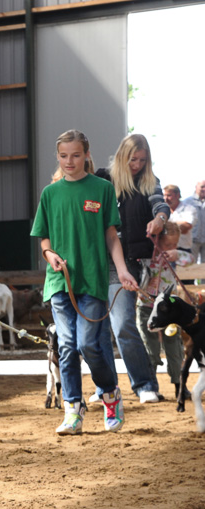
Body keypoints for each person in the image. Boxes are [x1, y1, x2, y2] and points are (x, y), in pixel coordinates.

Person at [32, 129, 137, 435]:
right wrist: (49, 254)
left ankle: (109, 394)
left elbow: (111, 236)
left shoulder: (102, 189)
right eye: (63, 155)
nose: (69, 161)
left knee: (88, 344)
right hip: (59, 281)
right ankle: (73, 410)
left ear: (86, 155)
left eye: (76, 155)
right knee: (66, 346)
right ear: (58, 157)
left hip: (92, 280)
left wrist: (123, 270)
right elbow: (44, 238)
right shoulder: (49, 194)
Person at [92, 134, 170, 405]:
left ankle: (145, 384)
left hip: (130, 262)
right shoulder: (102, 178)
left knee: (123, 323)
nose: (137, 164)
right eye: (132, 158)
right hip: (96, 261)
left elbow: (160, 204)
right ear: (122, 155)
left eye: (142, 160)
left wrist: (160, 218)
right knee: (96, 328)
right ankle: (105, 387)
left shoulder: (150, 182)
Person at [135, 220, 191, 399]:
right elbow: (136, 276)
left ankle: (179, 385)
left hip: (170, 311)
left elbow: (189, 259)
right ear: (157, 240)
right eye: (168, 244)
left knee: (174, 346)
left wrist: (176, 253)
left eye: (175, 244)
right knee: (149, 346)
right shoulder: (144, 255)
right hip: (146, 306)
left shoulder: (173, 255)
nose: (171, 247)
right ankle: (151, 387)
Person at [161, 185, 196, 254]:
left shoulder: (189, 209)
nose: (166, 198)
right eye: (164, 195)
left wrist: (165, 226)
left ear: (178, 195)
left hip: (183, 250)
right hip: (165, 250)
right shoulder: (162, 211)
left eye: (169, 195)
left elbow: (187, 227)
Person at [188, 180, 205, 266]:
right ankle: (190, 280)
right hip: (193, 240)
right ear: (196, 187)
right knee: (191, 265)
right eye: (202, 186)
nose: (204, 189)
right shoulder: (188, 202)